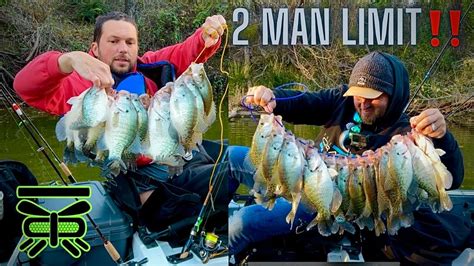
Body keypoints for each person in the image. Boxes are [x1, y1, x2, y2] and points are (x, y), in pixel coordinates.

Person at [228, 51, 469, 263]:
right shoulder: (342, 101)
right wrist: (272, 98)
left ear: (393, 95)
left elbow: (453, 178)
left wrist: (442, 137)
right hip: (301, 172)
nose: (363, 103)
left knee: (242, 222)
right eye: (358, 94)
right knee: (231, 156)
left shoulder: (405, 138)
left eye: (373, 95)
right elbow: (303, 103)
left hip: (326, 202)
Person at [13, 11, 230, 233]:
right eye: (114, 41)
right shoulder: (80, 86)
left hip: (175, 158)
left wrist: (206, 36)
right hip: (138, 181)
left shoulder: (150, 67)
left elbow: (188, 51)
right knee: (228, 173)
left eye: (130, 42)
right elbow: (24, 86)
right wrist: (67, 60)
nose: (123, 49)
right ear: (95, 48)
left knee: (231, 156)